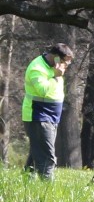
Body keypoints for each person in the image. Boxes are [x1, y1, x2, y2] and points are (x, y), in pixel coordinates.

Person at [20, 43, 73, 180]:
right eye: (63, 62)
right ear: (55, 58)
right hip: (38, 116)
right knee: (47, 155)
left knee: (37, 151)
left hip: (51, 116)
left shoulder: (55, 68)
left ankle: (26, 182)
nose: (65, 66)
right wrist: (55, 75)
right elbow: (42, 91)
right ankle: (48, 189)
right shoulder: (37, 68)